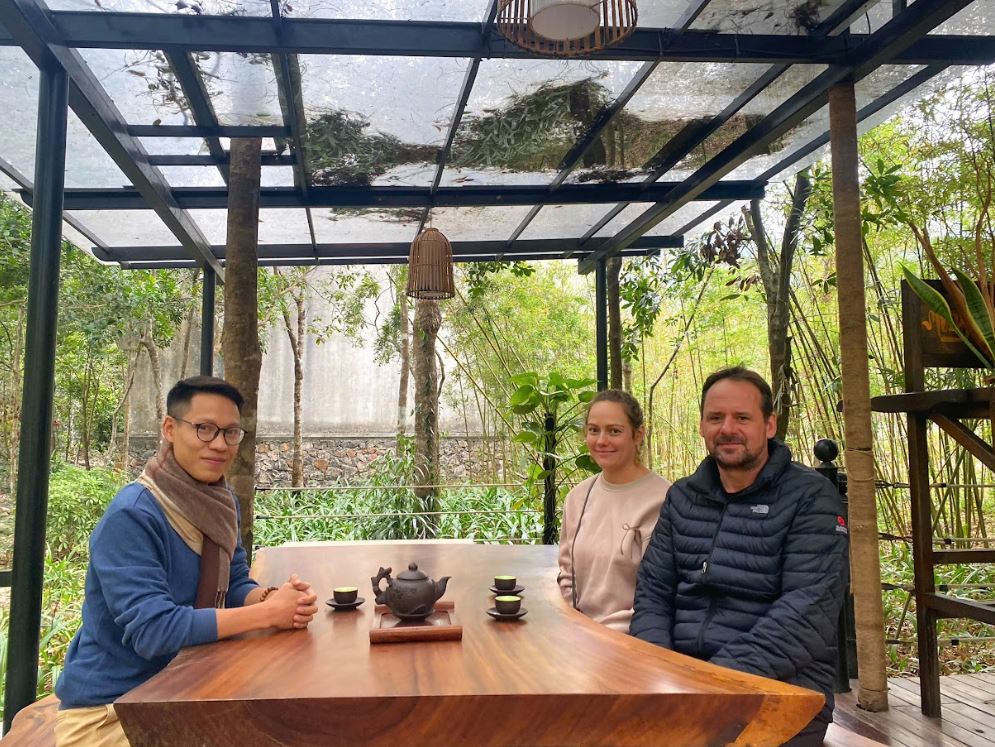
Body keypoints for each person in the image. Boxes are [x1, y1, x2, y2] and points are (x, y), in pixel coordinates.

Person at [55, 376, 319, 746]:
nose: (219, 444)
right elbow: (154, 630)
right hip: (113, 711)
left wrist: (271, 599)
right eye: (204, 429)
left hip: (189, 687)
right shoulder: (133, 515)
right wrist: (266, 614)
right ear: (170, 429)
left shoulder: (219, 501)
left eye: (230, 433)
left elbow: (234, 581)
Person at [629, 366, 849, 746]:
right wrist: (660, 670)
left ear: (769, 425)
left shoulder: (810, 498)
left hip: (779, 690)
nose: (727, 428)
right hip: (681, 682)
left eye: (742, 418)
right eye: (716, 417)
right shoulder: (683, 497)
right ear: (702, 426)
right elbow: (653, 593)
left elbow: (807, 614)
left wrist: (710, 682)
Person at [557, 389, 671, 632]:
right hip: (577, 634)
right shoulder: (577, 497)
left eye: (614, 431)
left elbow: (659, 591)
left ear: (637, 435)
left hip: (634, 637)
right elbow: (567, 574)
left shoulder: (664, 499)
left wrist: (604, 635)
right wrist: (573, 624)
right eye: (593, 430)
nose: (601, 441)